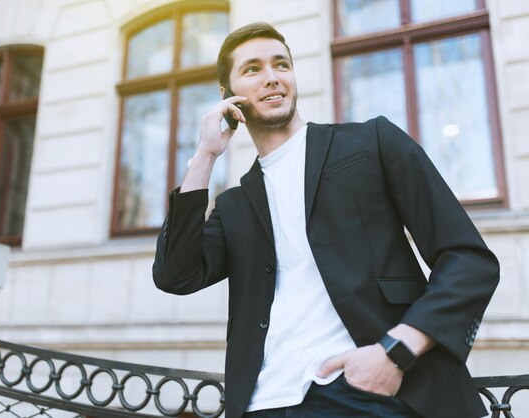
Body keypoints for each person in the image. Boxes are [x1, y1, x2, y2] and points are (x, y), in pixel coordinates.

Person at [152, 22, 499, 418]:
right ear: (227, 97)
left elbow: (468, 260)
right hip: (261, 403)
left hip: (364, 392)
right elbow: (174, 275)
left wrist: (396, 351)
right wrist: (205, 156)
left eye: (281, 64)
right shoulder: (234, 205)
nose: (272, 78)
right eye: (252, 69)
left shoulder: (372, 142)